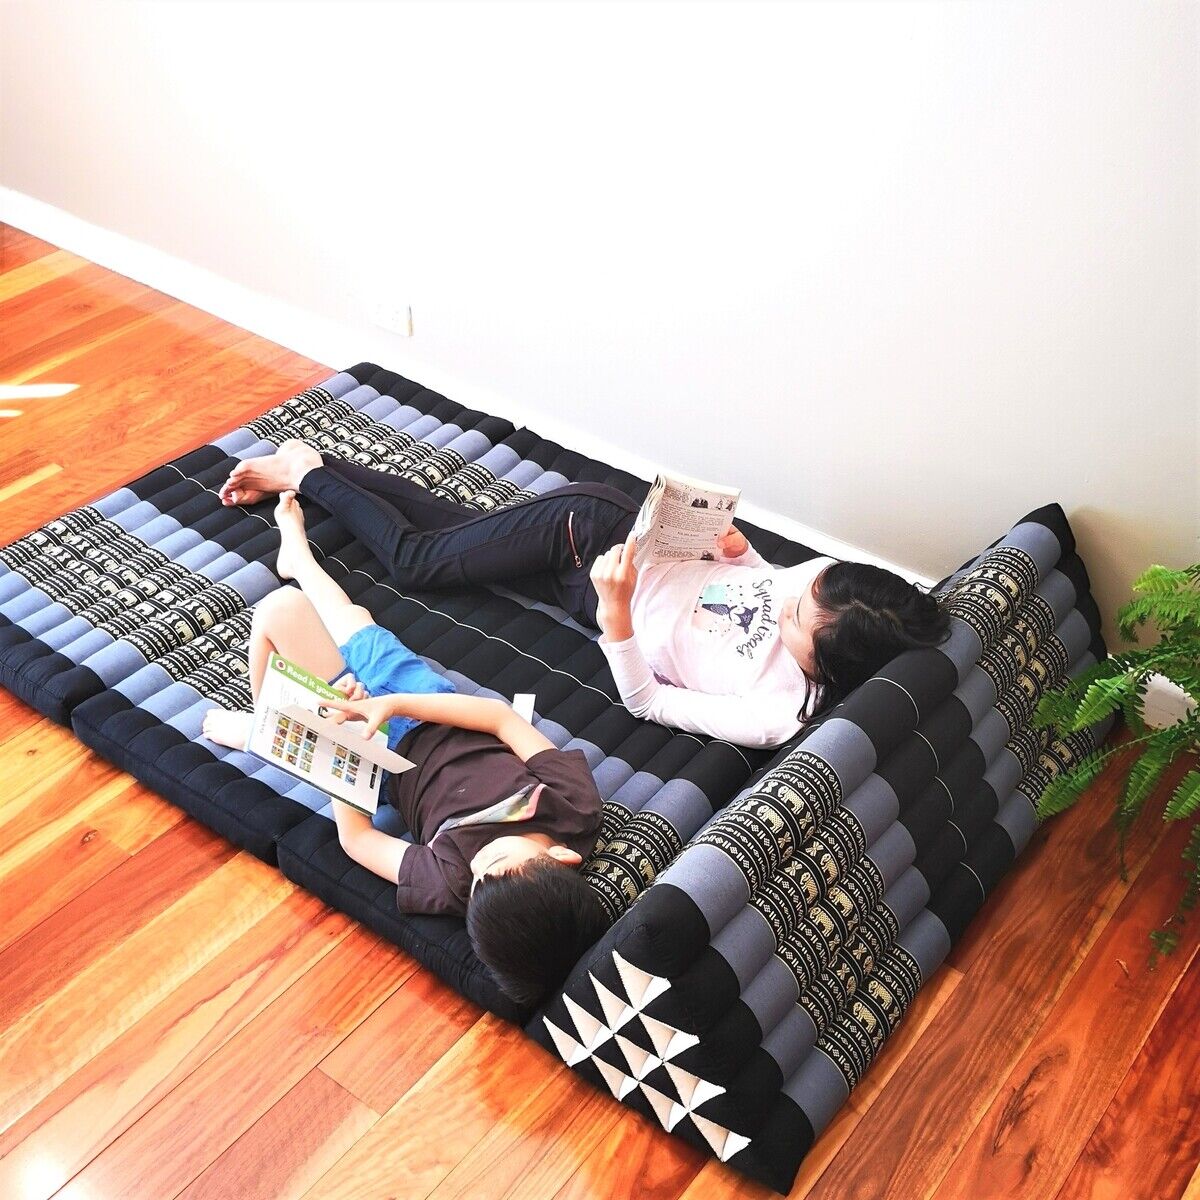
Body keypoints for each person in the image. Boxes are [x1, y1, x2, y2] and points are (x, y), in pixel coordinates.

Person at [219, 442, 951, 749]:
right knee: (418, 561)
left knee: (447, 537)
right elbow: (765, 577)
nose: (789, 596)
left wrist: (616, 618)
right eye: (802, 590)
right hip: (588, 533)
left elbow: (647, 702)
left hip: (596, 589)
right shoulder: (825, 585)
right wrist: (742, 554)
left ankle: (317, 466)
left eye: (794, 618)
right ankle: (305, 475)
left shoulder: (773, 712)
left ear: (827, 663)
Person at [201, 492, 608, 1006]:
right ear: (562, 858)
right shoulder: (575, 807)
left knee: (282, 610)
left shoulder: (452, 883)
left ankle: (266, 729)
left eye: (477, 881)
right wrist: (393, 703)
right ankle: (297, 557)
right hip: (428, 703)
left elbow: (358, 841)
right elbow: (501, 719)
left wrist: (341, 742)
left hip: (375, 752)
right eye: (497, 862)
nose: (478, 863)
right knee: (353, 617)